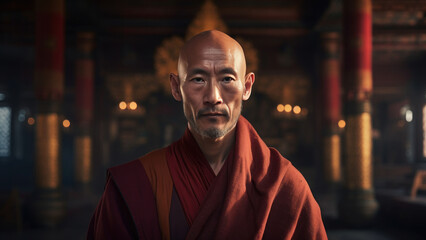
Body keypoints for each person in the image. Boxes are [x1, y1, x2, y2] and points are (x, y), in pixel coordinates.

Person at [87, 30, 327, 240]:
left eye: (227, 79)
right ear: (175, 87)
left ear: (247, 87)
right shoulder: (134, 185)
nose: (213, 96)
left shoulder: (284, 185)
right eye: (198, 79)